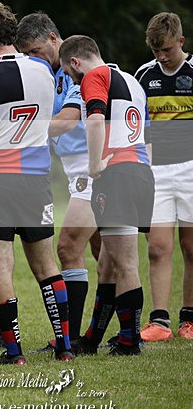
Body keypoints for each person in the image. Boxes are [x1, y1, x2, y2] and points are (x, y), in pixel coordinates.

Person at [0, 2, 74, 365]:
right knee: (46, 265)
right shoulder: (43, 69)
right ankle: (65, 345)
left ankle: (14, 351)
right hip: (36, 180)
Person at [59, 34, 155, 356]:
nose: (75, 81)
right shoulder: (132, 80)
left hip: (117, 172)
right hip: (140, 171)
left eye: (71, 74)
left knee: (125, 264)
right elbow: (147, 135)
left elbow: (96, 119)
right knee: (107, 264)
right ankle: (92, 338)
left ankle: (129, 340)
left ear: (76, 62)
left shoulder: (95, 76)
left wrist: (94, 165)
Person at [15, 12, 101, 346]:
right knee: (106, 252)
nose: (34, 59)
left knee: (68, 247)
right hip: (75, 170)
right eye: (27, 55)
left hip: (92, 169)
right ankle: (117, 336)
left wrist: (17, 130)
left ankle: (74, 336)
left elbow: (67, 120)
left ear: (53, 38)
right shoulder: (46, 74)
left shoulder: (75, 67)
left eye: (36, 51)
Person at [134, 12, 193, 341]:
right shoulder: (144, 76)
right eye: (156, 51)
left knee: (191, 246)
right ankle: (159, 322)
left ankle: (189, 319)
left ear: (180, 42)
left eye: (167, 50)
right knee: (157, 247)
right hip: (157, 171)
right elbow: (138, 126)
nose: (161, 56)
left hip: (191, 168)